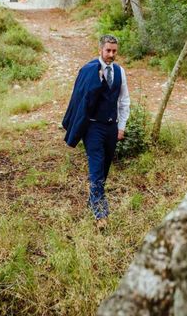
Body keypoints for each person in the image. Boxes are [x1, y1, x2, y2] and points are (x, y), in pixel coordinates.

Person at [62, 34, 130, 229]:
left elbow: (124, 101)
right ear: (100, 49)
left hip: (111, 127)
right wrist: (96, 82)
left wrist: (121, 126)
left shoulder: (119, 71)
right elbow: (79, 99)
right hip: (92, 127)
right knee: (96, 168)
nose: (111, 54)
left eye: (114, 51)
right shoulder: (88, 70)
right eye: (108, 50)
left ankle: (93, 200)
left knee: (104, 169)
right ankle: (101, 215)